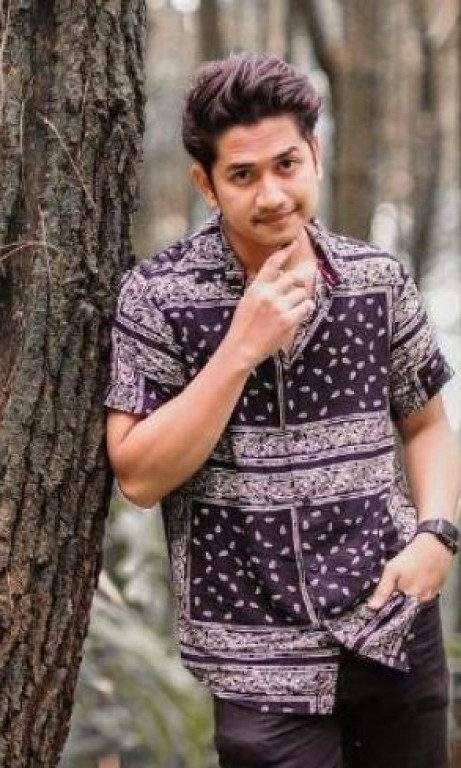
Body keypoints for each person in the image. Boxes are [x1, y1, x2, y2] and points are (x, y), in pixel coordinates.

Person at [105, 52, 461, 768]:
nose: (271, 194)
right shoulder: (157, 298)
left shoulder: (377, 281)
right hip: (255, 657)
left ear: (314, 156)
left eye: (286, 165)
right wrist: (240, 347)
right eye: (243, 175)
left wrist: (436, 536)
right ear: (206, 183)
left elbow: (425, 424)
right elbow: (139, 476)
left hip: (392, 623)